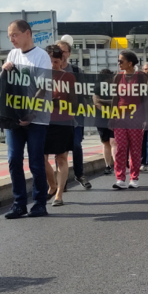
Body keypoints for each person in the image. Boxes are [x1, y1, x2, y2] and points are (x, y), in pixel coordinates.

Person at [2, 20, 52, 219]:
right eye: (9, 36)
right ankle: (19, 203)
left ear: (27, 33)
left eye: (14, 35)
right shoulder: (12, 55)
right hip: (14, 118)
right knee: (14, 159)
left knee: (36, 161)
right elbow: (7, 84)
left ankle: (39, 203)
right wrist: (5, 70)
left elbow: (44, 87)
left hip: (36, 119)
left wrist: (30, 114)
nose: (12, 39)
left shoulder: (41, 57)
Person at [42, 45, 75, 206]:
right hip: (44, 121)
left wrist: (61, 102)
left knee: (61, 158)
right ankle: (52, 185)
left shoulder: (68, 77)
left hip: (63, 120)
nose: (53, 64)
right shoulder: (41, 76)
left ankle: (59, 195)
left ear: (62, 61)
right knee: (40, 157)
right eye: (50, 61)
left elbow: (75, 102)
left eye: (56, 61)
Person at [57, 35, 91, 190]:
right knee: (60, 150)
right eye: (58, 51)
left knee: (76, 145)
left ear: (69, 53)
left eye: (63, 51)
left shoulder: (76, 71)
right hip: (57, 117)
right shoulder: (49, 70)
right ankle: (61, 181)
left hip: (75, 116)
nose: (61, 54)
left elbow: (84, 91)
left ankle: (79, 174)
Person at [111, 50, 145, 190]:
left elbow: (146, 98)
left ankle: (134, 177)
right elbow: (115, 98)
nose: (119, 63)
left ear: (130, 63)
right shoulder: (118, 77)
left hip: (136, 117)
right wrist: (112, 117)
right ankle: (120, 178)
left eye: (121, 61)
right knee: (120, 147)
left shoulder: (141, 76)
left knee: (135, 149)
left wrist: (145, 118)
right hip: (120, 116)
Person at [94, 68, 116, 175]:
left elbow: (117, 100)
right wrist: (108, 112)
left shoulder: (115, 88)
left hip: (115, 116)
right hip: (101, 118)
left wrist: (104, 102)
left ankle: (117, 165)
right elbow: (96, 102)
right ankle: (108, 165)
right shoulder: (97, 87)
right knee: (106, 142)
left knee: (113, 142)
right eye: (110, 78)